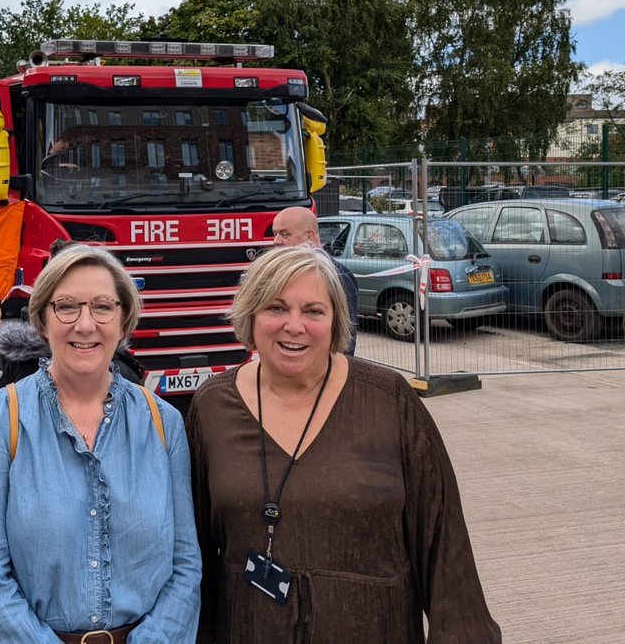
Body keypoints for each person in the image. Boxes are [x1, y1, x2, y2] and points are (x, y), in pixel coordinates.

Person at [188, 245, 501, 642]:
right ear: (250, 317)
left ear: (336, 321)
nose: (294, 326)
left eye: (313, 311)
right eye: (276, 308)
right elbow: (192, 553)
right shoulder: (212, 406)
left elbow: (443, 543)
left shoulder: (389, 400)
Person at [0, 243, 201, 642]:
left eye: (103, 307)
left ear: (123, 320)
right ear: (42, 319)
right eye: (67, 307)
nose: (85, 325)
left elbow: (185, 564)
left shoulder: (163, 423)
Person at [272, 205, 359, 356]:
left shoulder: (336, 276)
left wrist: (336, 368)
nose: (276, 241)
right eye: (275, 233)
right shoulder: (280, 272)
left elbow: (345, 339)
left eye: (285, 234)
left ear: (310, 236)